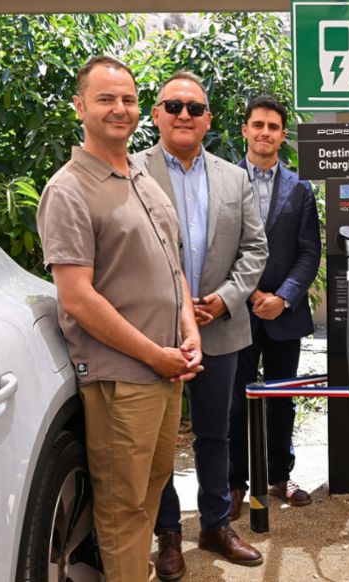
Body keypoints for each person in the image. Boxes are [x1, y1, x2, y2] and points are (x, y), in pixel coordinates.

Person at [36, 55, 203, 582]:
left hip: (164, 370)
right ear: (80, 106)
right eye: (106, 99)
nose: (120, 109)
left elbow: (173, 268)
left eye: (128, 99)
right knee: (123, 506)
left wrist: (189, 329)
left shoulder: (143, 180)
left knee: (149, 495)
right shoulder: (69, 189)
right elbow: (78, 298)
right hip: (122, 377)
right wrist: (156, 354)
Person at [134, 71, 268, 579]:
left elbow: (255, 248)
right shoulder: (131, 170)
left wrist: (226, 299)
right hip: (155, 331)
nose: (184, 115)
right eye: (174, 106)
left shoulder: (234, 177)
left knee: (216, 433)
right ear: (157, 114)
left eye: (194, 108)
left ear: (209, 119)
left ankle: (214, 524)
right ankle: (168, 531)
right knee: (161, 437)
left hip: (219, 326)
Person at [228, 95, 322, 516]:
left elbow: (309, 252)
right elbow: (217, 248)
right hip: (235, 310)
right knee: (235, 399)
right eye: (258, 124)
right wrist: (248, 293)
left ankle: (280, 477)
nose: (265, 132)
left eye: (273, 126)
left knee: (283, 399)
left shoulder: (300, 188)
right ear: (245, 130)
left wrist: (283, 297)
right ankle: (234, 485)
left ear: (283, 136)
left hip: (284, 314)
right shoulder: (225, 182)